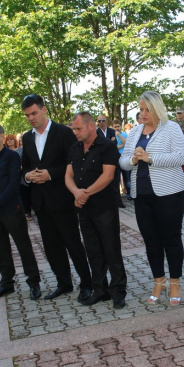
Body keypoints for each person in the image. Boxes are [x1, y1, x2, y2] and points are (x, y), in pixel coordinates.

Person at [21, 94, 92, 301]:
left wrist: (50, 174)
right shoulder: (27, 137)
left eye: (34, 113)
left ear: (44, 110)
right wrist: (28, 175)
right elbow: (25, 165)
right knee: (51, 246)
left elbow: (74, 163)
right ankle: (64, 283)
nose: (31, 118)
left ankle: (86, 283)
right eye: (27, 115)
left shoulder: (63, 132)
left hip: (62, 198)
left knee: (72, 243)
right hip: (41, 201)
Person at [119, 91, 184, 306]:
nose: (143, 113)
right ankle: (159, 281)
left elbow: (180, 157)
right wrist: (134, 159)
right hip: (142, 195)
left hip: (169, 193)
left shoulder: (172, 128)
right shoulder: (136, 131)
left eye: (147, 109)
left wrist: (150, 158)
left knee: (171, 239)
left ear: (157, 108)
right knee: (151, 241)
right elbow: (122, 161)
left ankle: (175, 281)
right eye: (141, 109)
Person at [66, 112, 127, 309]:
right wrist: (76, 192)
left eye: (78, 128)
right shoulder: (74, 148)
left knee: (111, 249)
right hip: (84, 209)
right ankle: (100, 290)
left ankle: (118, 291)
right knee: (93, 250)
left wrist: (85, 193)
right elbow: (68, 175)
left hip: (104, 207)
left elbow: (108, 176)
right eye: (73, 129)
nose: (75, 132)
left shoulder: (106, 146)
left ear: (91, 126)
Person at [0, 123, 41, 300]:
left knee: (24, 246)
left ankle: (34, 282)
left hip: (12, 210)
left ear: (1, 136)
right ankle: (7, 283)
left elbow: (14, 184)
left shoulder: (12, 157)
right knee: (1, 248)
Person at [5, 133, 33, 221]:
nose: (10, 141)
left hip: (21, 175)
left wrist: (21, 167)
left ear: (14, 140)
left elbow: (25, 162)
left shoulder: (21, 150)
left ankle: (27, 212)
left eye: (11, 139)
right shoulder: (5, 152)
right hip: (11, 176)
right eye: (8, 140)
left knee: (24, 194)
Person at [112, 120, 131, 201]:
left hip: (125, 157)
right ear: (112, 127)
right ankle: (118, 196)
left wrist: (119, 135)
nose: (117, 128)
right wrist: (123, 144)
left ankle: (129, 194)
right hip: (116, 159)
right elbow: (113, 148)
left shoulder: (124, 134)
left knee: (127, 178)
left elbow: (127, 144)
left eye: (118, 126)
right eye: (115, 127)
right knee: (117, 179)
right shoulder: (111, 136)